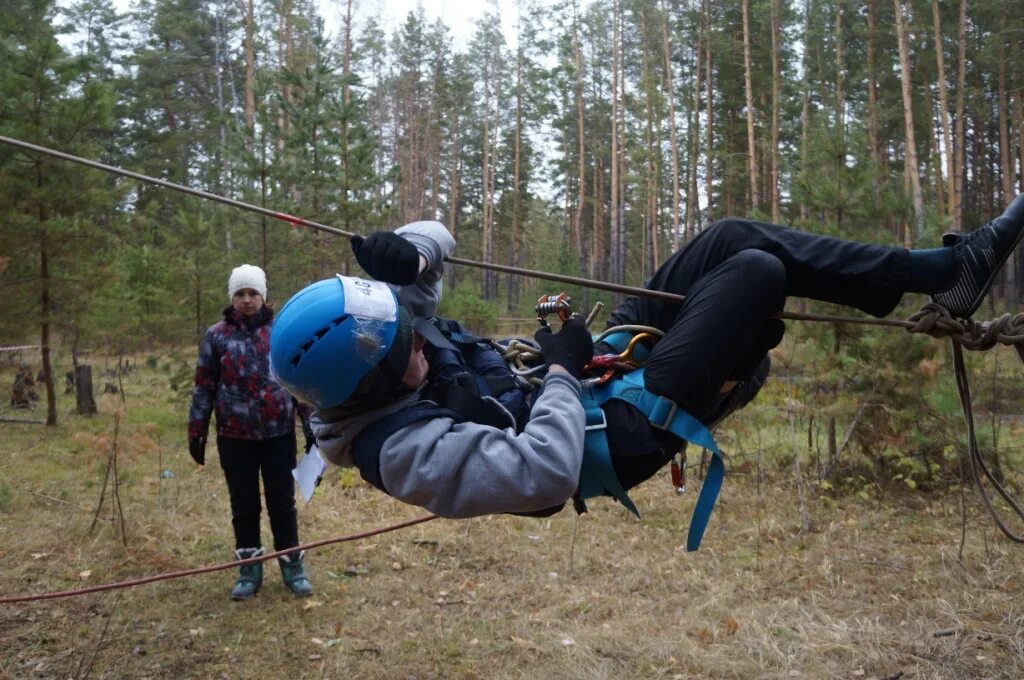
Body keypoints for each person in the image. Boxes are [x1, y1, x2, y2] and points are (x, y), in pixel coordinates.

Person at [269, 197, 1024, 549]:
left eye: (410, 330)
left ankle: (943, 271)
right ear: (368, 386)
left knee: (728, 235)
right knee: (755, 271)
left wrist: (410, 255)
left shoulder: (368, 344)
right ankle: (729, 359)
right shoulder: (398, 453)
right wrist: (563, 375)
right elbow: (541, 475)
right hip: (610, 433)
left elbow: (436, 242)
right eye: (409, 351)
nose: (422, 345)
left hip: (580, 381)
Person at [189, 264, 314, 599]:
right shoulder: (217, 336)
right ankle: (249, 570)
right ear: (232, 297)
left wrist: (311, 427)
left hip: (278, 433)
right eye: (240, 294)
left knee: (282, 502)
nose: (246, 300)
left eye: (252, 293)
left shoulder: (280, 332)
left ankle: (292, 567)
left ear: (263, 296)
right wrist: (197, 428)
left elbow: (297, 381)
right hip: (234, 435)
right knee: (243, 504)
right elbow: (204, 385)